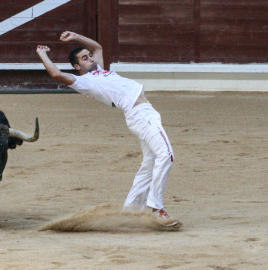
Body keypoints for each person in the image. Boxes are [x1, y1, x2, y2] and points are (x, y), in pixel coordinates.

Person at [36, 31, 178, 226]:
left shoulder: (100, 71)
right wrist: (43, 54)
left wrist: (76, 36)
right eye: (84, 58)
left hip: (146, 113)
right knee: (166, 155)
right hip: (140, 115)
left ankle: (130, 212)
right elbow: (56, 74)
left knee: (149, 163)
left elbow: (98, 47)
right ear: (77, 67)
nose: (90, 58)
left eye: (89, 56)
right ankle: (156, 208)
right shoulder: (83, 82)